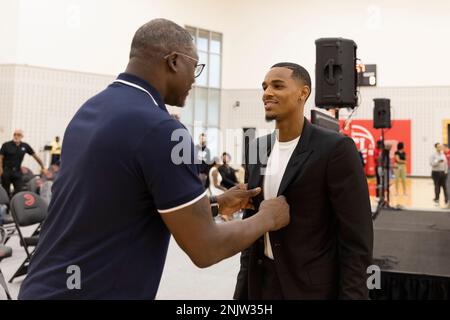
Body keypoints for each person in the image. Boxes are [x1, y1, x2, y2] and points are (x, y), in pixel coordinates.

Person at [18, 19, 290, 300]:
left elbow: (121, 205)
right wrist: (267, 218)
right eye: (194, 67)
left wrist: (214, 205)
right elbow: (205, 247)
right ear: (173, 61)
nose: (195, 79)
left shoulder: (93, 108)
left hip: (43, 285)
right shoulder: (161, 129)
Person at [234, 62, 373, 300]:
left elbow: (356, 239)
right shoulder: (257, 148)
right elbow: (252, 227)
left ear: (303, 93)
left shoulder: (336, 149)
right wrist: (242, 290)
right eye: (265, 86)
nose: (267, 92)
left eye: (277, 85)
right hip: (263, 282)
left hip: (311, 288)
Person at [0, 129, 47, 198]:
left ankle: (14, 205)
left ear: (22, 136)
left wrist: (43, 167)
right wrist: (0, 168)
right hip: (6, 171)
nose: (16, 136)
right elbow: (0, 157)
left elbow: (35, 156)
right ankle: (6, 207)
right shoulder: (6, 145)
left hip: (17, 172)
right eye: (15, 134)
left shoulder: (25, 146)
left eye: (18, 135)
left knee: (19, 190)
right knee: (5, 191)